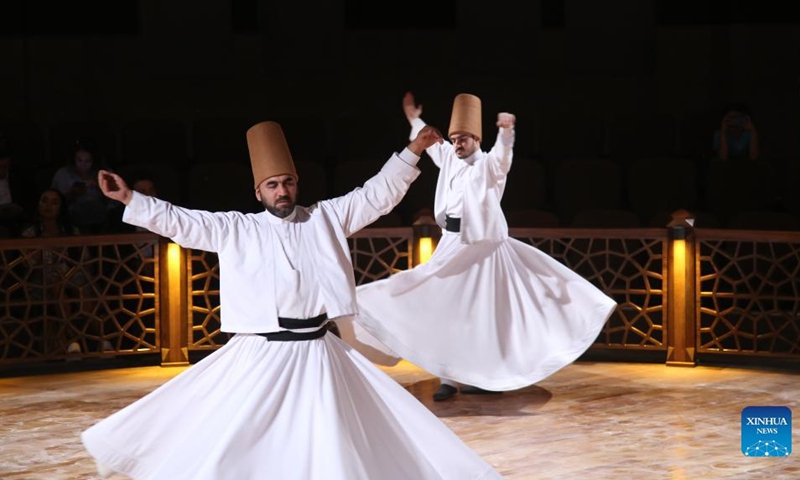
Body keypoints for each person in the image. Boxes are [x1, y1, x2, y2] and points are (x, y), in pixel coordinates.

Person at [81, 120, 502, 480]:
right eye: (272, 185)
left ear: (296, 183)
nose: (281, 191)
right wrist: (129, 199)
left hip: (319, 350)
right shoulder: (236, 228)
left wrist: (413, 151)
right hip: (261, 352)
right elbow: (181, 222)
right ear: (258, 192)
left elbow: (377, 194)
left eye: (287, 183)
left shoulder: (326, 217)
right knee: (240, 434)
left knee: (329, 436)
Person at [342, 92, 618, 402]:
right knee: (443, 308)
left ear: (475, 138)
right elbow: (433, 145)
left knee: (483, 315)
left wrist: (506, 132)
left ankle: (482, 377)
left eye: (463, 139)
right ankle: (447, 377)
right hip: (451, 243)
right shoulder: (449, 157)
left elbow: (503, 158)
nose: (457, 144)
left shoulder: (488, 165)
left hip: (483, 249)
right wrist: (413, 118)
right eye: (454, 138)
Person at [51, 139, 118, 233]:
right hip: (71, 223)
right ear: (73, 159)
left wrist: (101, 188)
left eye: (88, 161)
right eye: (79, 160)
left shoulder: (105, 174)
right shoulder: (63, 175)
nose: (83, 165)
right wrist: (71, 194)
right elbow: (54, 202)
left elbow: (116, 203)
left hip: (103, 223)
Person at [0, 149, 33, 237]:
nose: (2, 171)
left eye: (5, 167)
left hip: (15, 218)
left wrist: (20, 208)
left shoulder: (17, 178)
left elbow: (28, 199)